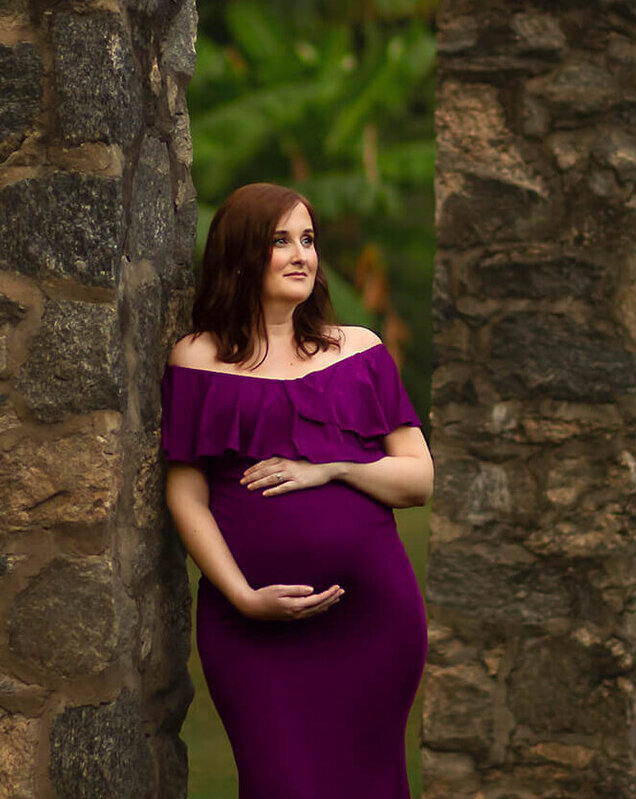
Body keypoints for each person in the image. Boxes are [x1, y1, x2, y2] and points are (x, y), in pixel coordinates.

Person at [161, 182, 433, 799]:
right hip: (252, 628)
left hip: (373, 622)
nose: (300, 255)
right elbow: (186, 494)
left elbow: (418, 481)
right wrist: (242, 597)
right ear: (239, 255)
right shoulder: (197, 361)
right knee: (279, 783)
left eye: (307, 240)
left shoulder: (359, 351)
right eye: (280, 241)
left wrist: (333, 466)